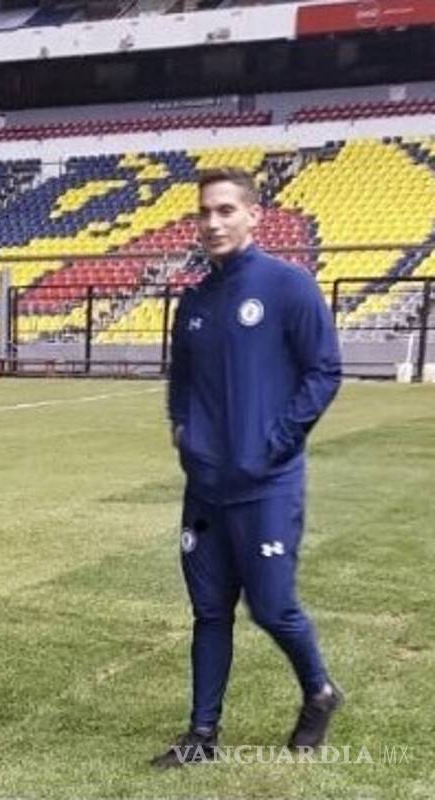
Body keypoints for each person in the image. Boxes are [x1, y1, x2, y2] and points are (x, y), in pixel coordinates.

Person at [154, 167, 343, 768]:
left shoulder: (289, 287)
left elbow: (324, 371)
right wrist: (183, 429)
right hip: (205, 486)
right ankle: (201, 737)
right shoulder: (194, 301)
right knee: (209, 612)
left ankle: (319, 691)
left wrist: (278, 440)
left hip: (266, 484)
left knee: (271, 607)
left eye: (226, 210)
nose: (213, 223)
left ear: (254, 215)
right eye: (205, 212)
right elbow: (180, 378)